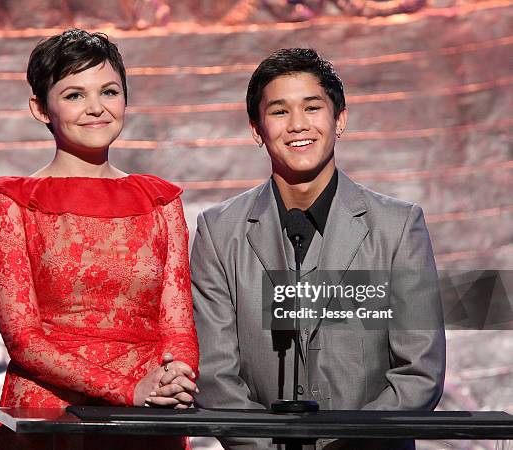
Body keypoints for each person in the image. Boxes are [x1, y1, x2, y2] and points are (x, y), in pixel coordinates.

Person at [191, 48, 445, 450]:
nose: (297, 125)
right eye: (279, 111)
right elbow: (215, 376)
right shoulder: (219, 231)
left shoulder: (398, 226)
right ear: (256, 129)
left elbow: (419, 374)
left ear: (339, 119)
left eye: (312, 107)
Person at [0, 29, 199, 450]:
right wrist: (129, 390)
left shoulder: (160, 199)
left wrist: (177, 377)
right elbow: (24, 341)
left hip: (146, 420)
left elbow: (178, 322)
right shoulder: (14, 202)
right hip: (52, 416)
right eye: (74, 95)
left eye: (109, 92)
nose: (96, 108)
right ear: (41, 108)